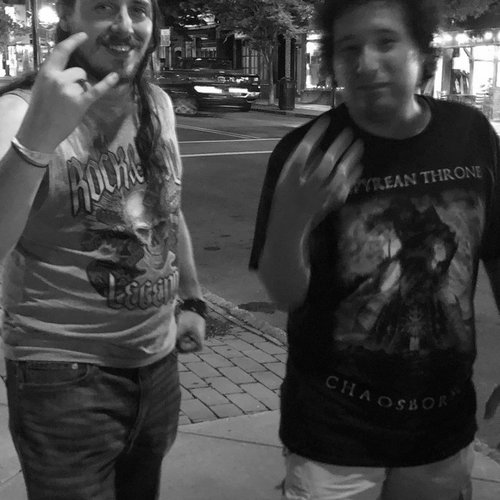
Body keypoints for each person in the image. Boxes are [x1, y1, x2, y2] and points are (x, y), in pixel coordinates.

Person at [250, 0, 500, 498]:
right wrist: (294, 215)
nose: (366, 63)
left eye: (386, 42)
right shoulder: (308, 152)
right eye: (349, 48)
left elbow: (496, 252)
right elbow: (284, 293)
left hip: (442, 428)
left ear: (420, 50)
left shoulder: (470, 134)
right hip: (333, 433)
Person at [0, 0, 206, 498]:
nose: (125, 25)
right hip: (63, 375)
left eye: (138, 9)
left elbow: (166, 206)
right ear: (67, 18)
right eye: (104, 7)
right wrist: (37, 139)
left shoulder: (155, 102)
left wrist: (193, 299)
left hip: (156, 363)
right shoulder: (19, 112)